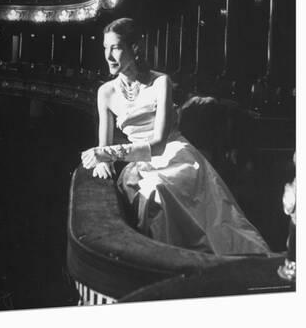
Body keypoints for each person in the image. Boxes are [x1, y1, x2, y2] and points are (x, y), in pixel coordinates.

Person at [81, 18, 270, 255]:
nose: (108, 56)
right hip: (140, 162)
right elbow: (104, 147)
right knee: (151, 194)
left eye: (116, 48)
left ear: (135, 48)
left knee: (163, 191)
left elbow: (159, 144)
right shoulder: (105, 92)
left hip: (174, 154)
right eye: (105, 48)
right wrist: (102, 159)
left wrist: (106, 153)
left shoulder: (160, 82)